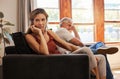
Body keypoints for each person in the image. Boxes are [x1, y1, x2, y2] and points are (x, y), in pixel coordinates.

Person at [25, 8, 106, 79]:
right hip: (56, 61)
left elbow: (67, 45)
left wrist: (89, 54)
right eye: (37, 20)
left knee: (101, 57)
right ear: (32, 22)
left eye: (43, 20)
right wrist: (40, 33)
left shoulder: (49, 32)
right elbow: (45, 53)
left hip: (63, 57)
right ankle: (96, 77)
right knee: (86, 49)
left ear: (46, 20)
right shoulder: (29, 36)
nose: (41, 23)